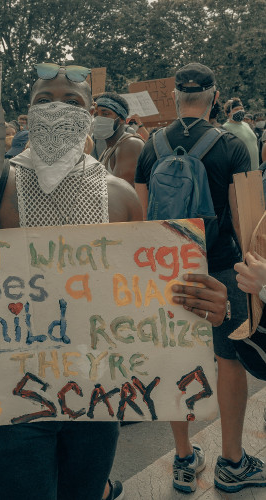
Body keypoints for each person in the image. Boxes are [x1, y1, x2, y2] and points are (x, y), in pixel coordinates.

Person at [0, 60, 229, 500]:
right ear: (28, 116)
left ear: (90, 116)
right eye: (44, 99)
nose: (58, 109)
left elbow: (142, 296)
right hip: (14, 398)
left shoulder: (121, 197)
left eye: (73, 101)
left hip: (97, 398)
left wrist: (202, 303)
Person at [135, 62, 266, 494]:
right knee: (230, 360)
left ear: (175, 96)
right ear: (213, 97)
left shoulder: (149, 146)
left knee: (176, 360)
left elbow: (141, 219)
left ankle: (184, 458)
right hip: (223, 267)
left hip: (166, 268)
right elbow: (247, 220)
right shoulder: (232, 145)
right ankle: (232, 462)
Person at [92, 92, 145, 186]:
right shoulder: (108, 150)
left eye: (105, 114)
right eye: (96, 115)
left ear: (121, 119)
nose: (98, 119)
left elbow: (119, 190)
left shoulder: (130, 145)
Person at [223, 97, 259, 171]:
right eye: (236, 109)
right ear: (229, 113)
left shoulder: (246, 125)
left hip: (255, 171)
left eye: (241, 108)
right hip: (241, 173)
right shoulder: (225, 128)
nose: (240, 111)